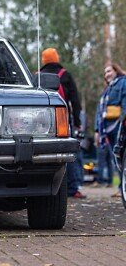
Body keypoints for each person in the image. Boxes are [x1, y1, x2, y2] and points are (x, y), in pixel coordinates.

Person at [40, 47, 86, 198]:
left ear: (43, 60)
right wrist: (78, 122)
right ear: (56, 58)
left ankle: (44, 187)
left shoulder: (37, 76)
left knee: (43, 155)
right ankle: (72, 189)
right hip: (63, 121)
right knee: (69, 154)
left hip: (42, 124)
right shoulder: (65, 75)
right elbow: (75, 101)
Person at [94, 63, 126, 197]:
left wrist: (122, 120)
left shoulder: (122, 83)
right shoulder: (107, 90)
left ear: (116, 71)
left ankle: (122, 187)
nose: (106, 74)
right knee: (115, 158)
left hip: (118, 124)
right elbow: (99, 111)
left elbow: (125, 101)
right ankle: (121, 187)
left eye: (109, 71)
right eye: (105, 73)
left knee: (121, 156)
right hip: (107, 128)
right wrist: (97, 130)